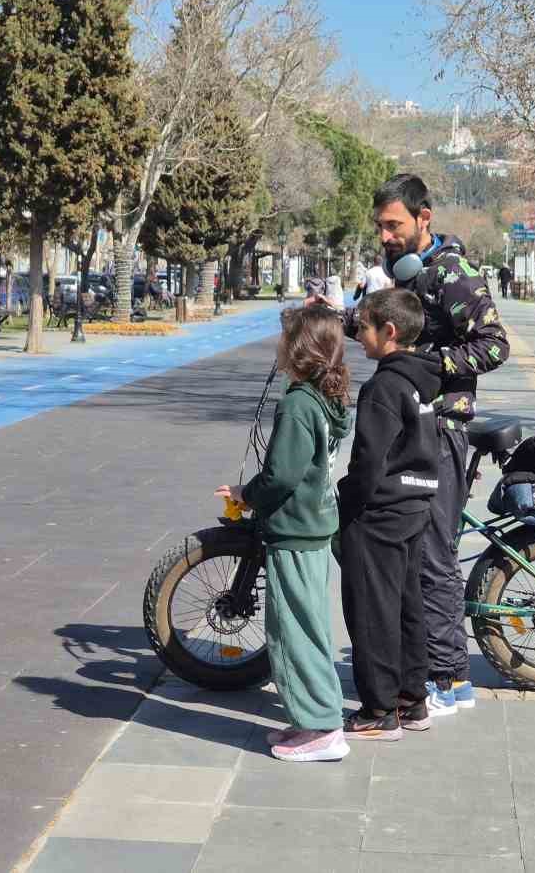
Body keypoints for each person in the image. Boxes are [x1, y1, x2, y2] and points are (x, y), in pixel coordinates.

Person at [371, 174, 508, 719]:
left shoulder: (454, 273)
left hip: (441, 429)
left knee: (433, 555)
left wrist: (430, 365)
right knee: (412, 552)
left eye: (394, 225)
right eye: (380, 226)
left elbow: (494, 346)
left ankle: (452, 679)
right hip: (409, 424)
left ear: (424, 218)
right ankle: (427, 663)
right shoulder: (405, 273)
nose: (385, 236)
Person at [216, 307, 352, 762]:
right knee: (305, 626)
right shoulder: (323, 399)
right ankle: (310, 719)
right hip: (314, 525)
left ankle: (323, 727)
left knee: (296, 631)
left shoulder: (297, 404)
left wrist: (246, 493)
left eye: (283, 338)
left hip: (295, 531)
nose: (276, 346)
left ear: (297, 348)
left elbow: (281, 474)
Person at [336, 288, 442, 741]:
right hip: (416, 505)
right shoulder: (422, 380)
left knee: (371, 610)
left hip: (379, 511)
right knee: (405, 604)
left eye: (363, 328)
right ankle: (411, 699)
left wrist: (346, 502)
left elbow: (367, 462)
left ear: (389, 331)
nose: (359, 337)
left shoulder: (383, 386)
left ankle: (379, 710)